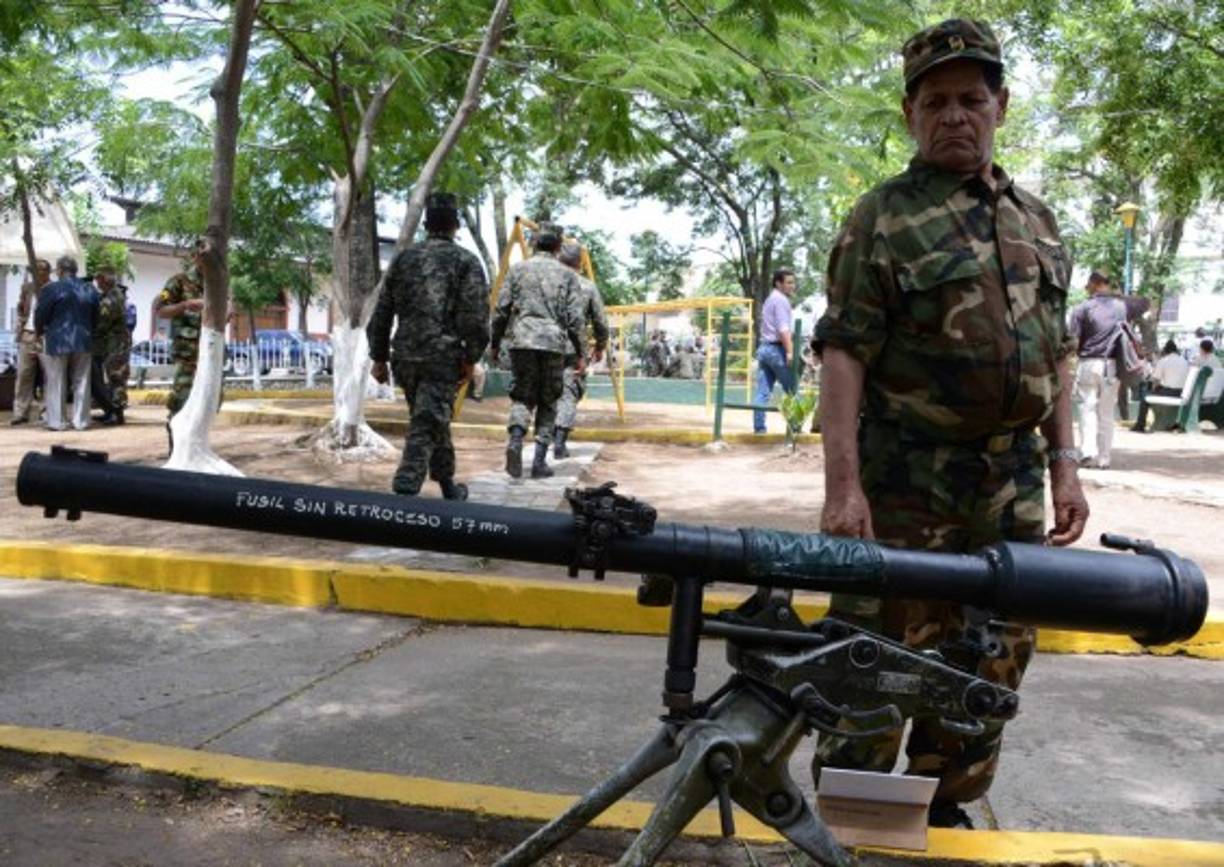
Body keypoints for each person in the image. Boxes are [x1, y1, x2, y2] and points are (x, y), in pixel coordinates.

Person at [813, 19, 1088, 829]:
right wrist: (843, 487)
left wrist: (1066, 463)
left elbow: (1059, 351)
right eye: (936, 101)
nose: (955, 115)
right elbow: (843, 354)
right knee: (877, 656)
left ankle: (944, 813)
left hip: (1012, 487)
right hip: (906, 482)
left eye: (973, 98)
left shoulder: (1037, 221)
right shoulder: (882, 219)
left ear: (1001, 105)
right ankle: (855, 824)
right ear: (910, 114)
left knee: (992, 657)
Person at [367, 192, 489, 500]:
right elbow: (474, 317)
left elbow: (381, 312)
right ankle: (405, 489)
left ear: (426, 223)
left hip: (405, 357)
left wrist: (379, 358)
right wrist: (471, 357)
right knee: (427, 422)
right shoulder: (466, 261)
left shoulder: (403, 260)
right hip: (442, 357)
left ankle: (448, 485)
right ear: (456, 224)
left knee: (433, 418)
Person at [490, 221, 584, 480]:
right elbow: (576, 318)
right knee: (548, 401)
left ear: (534, 242)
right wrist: (581, 353)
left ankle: (516, 441)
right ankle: (539, 462)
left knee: (522, 396)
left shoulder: (518, 270)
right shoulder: (568, 276)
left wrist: (495, 343)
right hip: (553, 345)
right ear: (557, 245)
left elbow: (501, 310)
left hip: (521, 341)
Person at [553, 241, 609, 458]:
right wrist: (600, 345)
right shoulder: (586, 286)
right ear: (580, 263)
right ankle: (559, 441)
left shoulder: (546, 281)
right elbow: (600, 321)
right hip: (572, 349)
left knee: (545, 392)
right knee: (570, 392)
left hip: (542, 345)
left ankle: (537, 441)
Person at [34, 256, 99, 431]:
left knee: (56, 380)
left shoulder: (52, 289)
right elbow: (96, 316)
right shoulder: (89, 289)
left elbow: (41, 314)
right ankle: (81, 421)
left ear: (60, 270)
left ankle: (57, 422)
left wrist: (39, 332)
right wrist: (89, 332)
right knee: (82, 381)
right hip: (84, 339)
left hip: (58, 340)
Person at [1069, 272, 1126, 469]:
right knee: (1107, 413)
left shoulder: (1082, 308)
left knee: (1087, 408)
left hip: (1088, 363)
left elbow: (1073, 340)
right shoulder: (1120, 307)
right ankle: (1104, 458)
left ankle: (1088, 453)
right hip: (1112, 365)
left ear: (1094, 284)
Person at [155, 249, 206, 447]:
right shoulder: (177, 281)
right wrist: (184, 305)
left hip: (209, 354)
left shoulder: (218, 283)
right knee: (182, 400)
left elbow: (229, 309)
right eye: (204, 256)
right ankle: (176, 447)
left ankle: (195, 447)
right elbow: (160, 310)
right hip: (187, 355)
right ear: (195, 257)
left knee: (208, 403)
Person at [754, 268, 798, 433]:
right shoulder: (781, 300)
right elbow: (783, 329)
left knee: (763, 393)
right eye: (789, 282)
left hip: (764, 348)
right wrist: (789, 351)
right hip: (776, 350)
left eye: (793, 282)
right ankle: (795, 428)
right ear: (778, 283)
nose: (793, 286)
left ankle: (759, 429)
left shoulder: (770, 299)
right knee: (792, 389)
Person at [10, 258, 51, 426]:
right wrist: (19, 330)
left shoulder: (54, 289)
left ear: (48, 272)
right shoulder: (27, 288)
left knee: (49, 376)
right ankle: (20, 412)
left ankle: (47, 412)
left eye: (41, 269)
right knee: (24, 375)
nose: (38, 272)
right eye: (35, 269)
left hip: (46, 336)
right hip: (27, 335)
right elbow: (21, 309)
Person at [89, 265, 129, 426]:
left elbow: (103, 323)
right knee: (115, 378)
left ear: (104, 279)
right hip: (116, 342)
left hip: (116, 343)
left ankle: (116, 414)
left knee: (116, 377)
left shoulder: (110, 299)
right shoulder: (114, 294)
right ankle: (111, 412)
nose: (96, 282)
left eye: (98, 278)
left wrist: (90, 331)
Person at [1133, 340, 1189, 433]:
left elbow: (1155, 380)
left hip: (1168, 392)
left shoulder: (1163, 361)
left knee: (1145, 398)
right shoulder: (1184, 361)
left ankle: (1140, 425)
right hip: (1181, 392)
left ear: (1166, 351)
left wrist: (1153, 390)